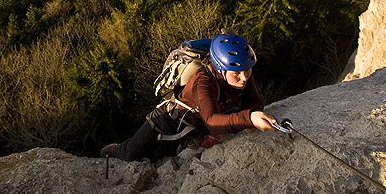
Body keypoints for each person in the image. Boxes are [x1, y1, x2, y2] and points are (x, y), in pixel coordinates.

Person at [101, 33, 278, 161]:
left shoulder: (239, 68)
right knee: (130, 155)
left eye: (247, 71)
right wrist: (249, 118)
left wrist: (252, 115)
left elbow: (254, 101)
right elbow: (213, 122)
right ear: (221, 69)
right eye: (237, 74)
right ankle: (115, 150)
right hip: (170, 119)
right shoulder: (203, 82)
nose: (244, 78)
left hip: (198, 122)